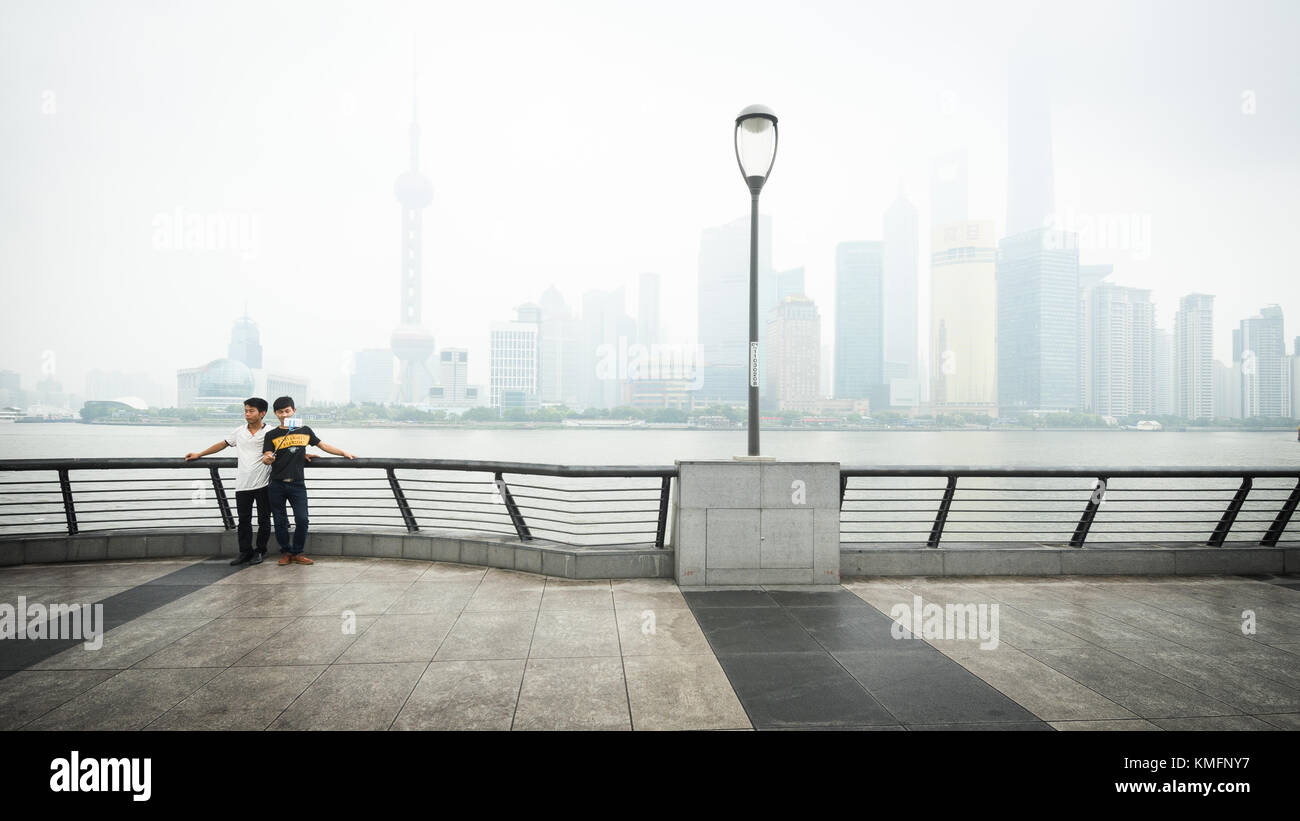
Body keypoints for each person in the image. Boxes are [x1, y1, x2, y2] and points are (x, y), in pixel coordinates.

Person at [261, 396, 356, 565]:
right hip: (277, 483)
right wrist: (268, 458)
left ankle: (297, 552)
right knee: (280, 520)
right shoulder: (272, 434)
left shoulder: (304, 430)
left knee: (302, 519)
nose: (285, 415)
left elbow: (323, 445)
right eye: (281, 412)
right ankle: (286, 552)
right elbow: (267, 455)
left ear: (294, 411)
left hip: (297, 484)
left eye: (287, 411)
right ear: (275, 413)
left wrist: (343, 453)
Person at [185, 398, 273, 565]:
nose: (247, 414)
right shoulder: (239, 431)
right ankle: (245, 552)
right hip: (243, 483)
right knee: (243, 520)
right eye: (246, 410)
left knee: (264, 519)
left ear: (262, 413)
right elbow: (223, 444)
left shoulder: (270, 431)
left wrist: (303, 455)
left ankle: (260, 551)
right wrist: (200, 454)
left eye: (251, 411)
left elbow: (285, 450)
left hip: (264, 483)